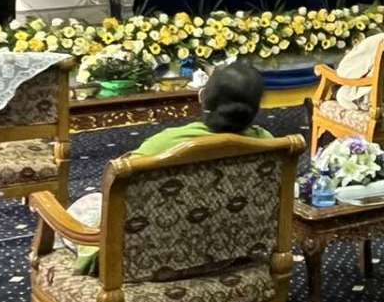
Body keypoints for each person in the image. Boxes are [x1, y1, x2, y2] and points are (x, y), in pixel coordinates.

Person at [65, 61, 271, 275]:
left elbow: (117, 185)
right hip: (229, 254)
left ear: (202, 97)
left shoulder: (164, 144)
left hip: (141, 264)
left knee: (87, 205)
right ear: (257, 106)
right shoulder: (270, 144)